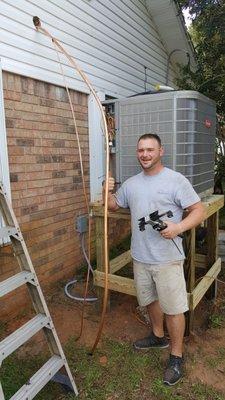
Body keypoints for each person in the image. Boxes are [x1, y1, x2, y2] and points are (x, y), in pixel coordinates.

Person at [103, 133, 205, 386]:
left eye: (150, 149)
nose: (145, 154)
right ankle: (158, 336)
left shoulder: (175, 180)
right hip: (140, 256)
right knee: (150, 300)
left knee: (173, 308)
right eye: (141, 150)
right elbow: (113, 205)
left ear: (161, 151)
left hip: (167, 258)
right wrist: (108, 190)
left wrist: (179, 228)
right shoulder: (132, 183)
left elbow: (199, 210)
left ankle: (176, 356)